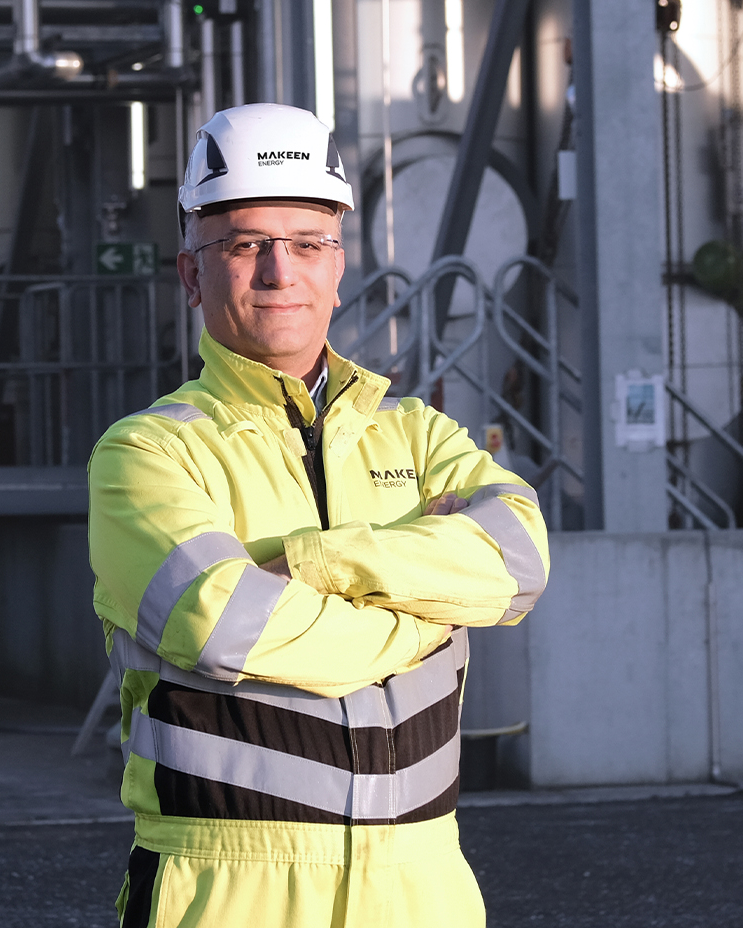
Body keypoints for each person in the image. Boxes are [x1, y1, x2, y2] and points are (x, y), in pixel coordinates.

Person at [88, 103, 549, 928]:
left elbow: (517, 564)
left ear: (339, 267)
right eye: (244, 245)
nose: (279, 272)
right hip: (228, 891)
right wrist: (426, 618)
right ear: (192, 273)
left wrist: (312, 565)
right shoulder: (149, 454)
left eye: (307, 244)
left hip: (423, 890)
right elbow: (229, 625)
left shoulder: (418, 431)